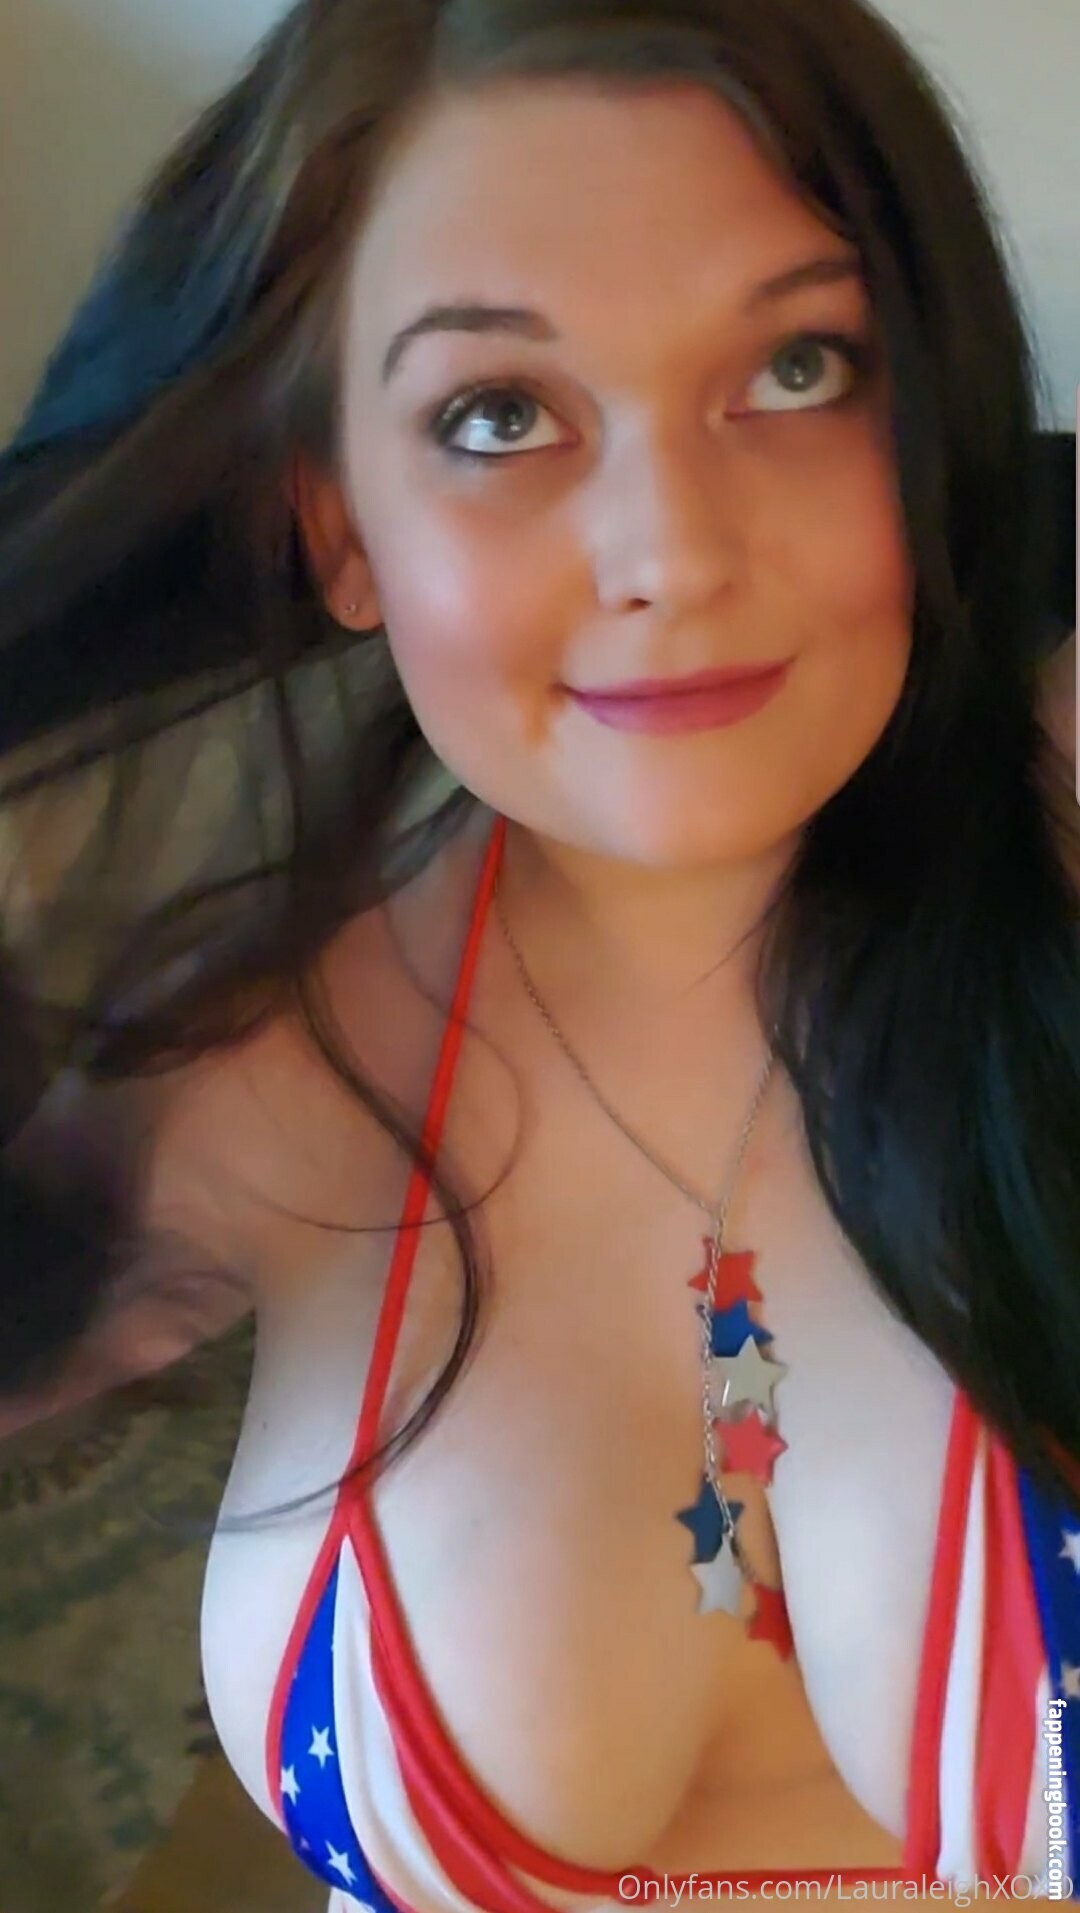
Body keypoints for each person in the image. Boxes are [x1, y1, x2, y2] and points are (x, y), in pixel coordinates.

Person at [0, 0, 1078, 1907]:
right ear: (337, 522)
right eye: (498, 414)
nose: (673, 550)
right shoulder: (248, 1075)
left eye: (799, 366)